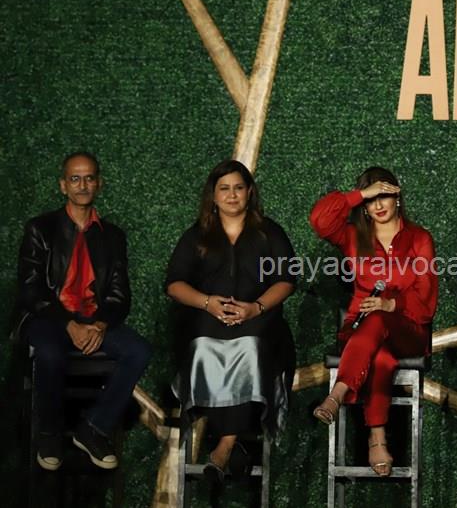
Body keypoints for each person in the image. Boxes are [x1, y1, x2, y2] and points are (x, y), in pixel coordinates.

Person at [15, 152, 152, 471]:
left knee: (138, 351)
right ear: (63, 185)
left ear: (99, 183)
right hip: (49, 318)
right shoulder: (40, 228)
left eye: (89, 178)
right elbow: (31, 291)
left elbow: (120, 295)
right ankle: (49, 434)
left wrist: (101, 324)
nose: (82, 185)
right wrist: (69, 324)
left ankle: (93, 428)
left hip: (94, 320)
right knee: (50, 353)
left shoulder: (112, 236)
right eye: (75, 179)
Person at [166, 159, 297, 482]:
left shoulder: (269, 233)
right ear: (213, 195)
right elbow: (174, 284)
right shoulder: (197, 236)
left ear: (250, 192)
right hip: (207, 319)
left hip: (260, 320)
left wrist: (255, 308)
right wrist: (208, 303)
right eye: (224, 189)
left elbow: (286, 280)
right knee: (204, 347)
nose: (232, 195)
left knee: (249, 348)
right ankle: (234, 444)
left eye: (239, 187)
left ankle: (225, 445)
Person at [309, 166, 438, 477]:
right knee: (381, 358)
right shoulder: (354, 237)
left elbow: (427, 299)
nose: (378, 205)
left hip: (409, 329)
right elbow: (320, 220)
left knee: (380, 317)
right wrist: (359, 194)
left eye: (384, 196)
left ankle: (338, 393)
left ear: (397, 197)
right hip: (361, 330)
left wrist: (392, 304)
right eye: (371, 200)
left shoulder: (419, 238)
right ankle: (377, 438)